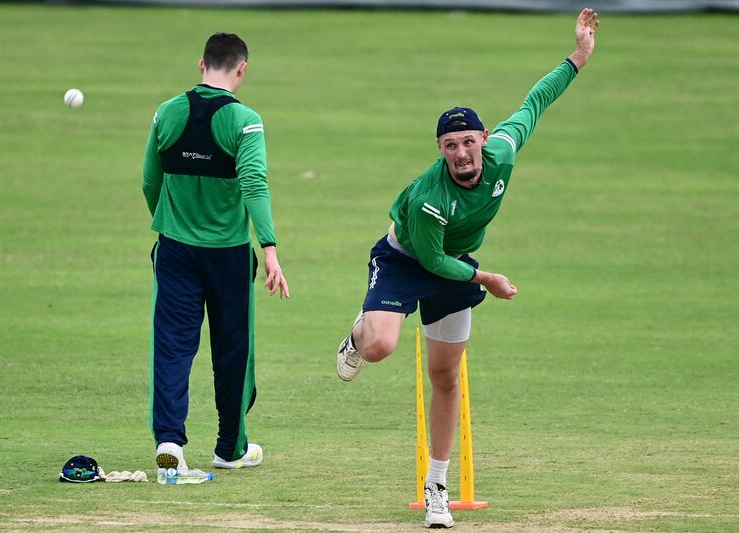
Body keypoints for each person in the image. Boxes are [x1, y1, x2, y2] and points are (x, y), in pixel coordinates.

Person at [336, 9, 600, 529]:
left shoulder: (501, 152)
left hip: (453, 266)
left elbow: (535, 102)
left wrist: (579, 56)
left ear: (483, 138)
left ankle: (438, 488)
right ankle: (355, 335)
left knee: (445, 376)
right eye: (450, 146)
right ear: (440, 150)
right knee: (380, 346)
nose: (462, 153)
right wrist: (487, 279)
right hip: (407, 259)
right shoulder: (429, 198)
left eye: (468, 142)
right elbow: (433, 261)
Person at [142, 32, 289, 473]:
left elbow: (150, 181)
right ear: (241, 68)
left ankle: (169, 441)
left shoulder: (166, 113)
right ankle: (230, 448)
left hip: (176, 251)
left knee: (172, 346)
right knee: (232, 352)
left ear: (200, 64)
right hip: (226, 256)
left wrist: (169, 222)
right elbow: (254, 184)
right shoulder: (245, 121)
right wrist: (270, 248)